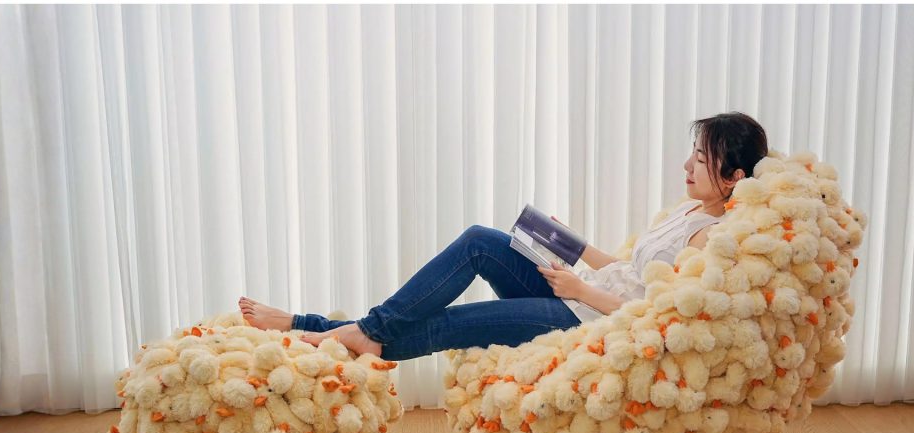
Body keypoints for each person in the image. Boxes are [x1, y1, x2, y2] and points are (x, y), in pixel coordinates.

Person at [239, 111, 768, 361]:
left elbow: (658, 313)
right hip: (583, 296)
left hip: (589, 324)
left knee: (449, 325)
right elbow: (628, 271)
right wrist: (569, 243)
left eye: (701, 160)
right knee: (479, 240)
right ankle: (352, 330)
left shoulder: (711, 240)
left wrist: (579, 291)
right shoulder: (688, 211)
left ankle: (314, 329)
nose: (687, 166)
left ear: (733, 178)